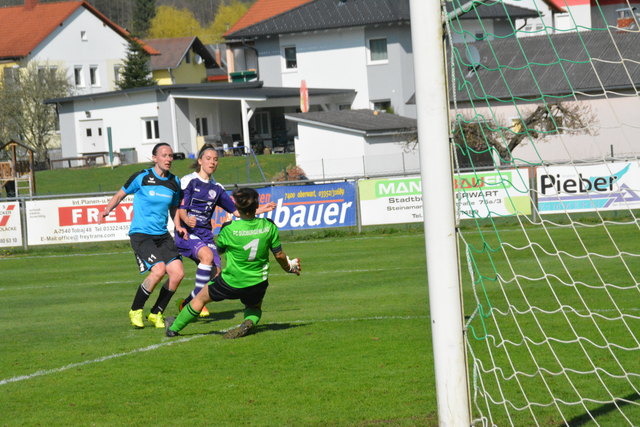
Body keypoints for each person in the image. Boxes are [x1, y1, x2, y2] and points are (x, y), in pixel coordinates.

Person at [164, 187, 301, 339]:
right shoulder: (269, 225)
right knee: (254, 307)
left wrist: (224, 228)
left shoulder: (229, 229)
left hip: (231, 281)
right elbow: (279, 255)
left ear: (236, 207)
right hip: (258, 281)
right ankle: (249, 321)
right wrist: (289, 268)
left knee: (200, 298)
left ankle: (173, 328)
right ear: (257, 206)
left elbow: (219, 250)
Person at [173, 144, 275, 318]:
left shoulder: (217, 188)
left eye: (215, 159)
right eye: (208, 158)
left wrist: (260, 209)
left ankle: (187, 303)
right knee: (207, 257)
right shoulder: (189, 181)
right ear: (200, 161)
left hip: (205, 234)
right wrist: (186, 219)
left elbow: (237, 212)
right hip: (187, 232)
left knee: (216, 275)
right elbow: (180, 207)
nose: (212, 162)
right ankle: (196, 304)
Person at [99, 142, 185, 329]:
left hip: (162, 235)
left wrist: (178, 225)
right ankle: (136, 310)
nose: (168, 159)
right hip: (141, 234)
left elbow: (174, 207)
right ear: (155, 158)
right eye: (164, 155)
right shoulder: (142, 177)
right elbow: (120, 195)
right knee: (159, 270)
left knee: (178, 273)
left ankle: (156, 313)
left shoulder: (174, 182)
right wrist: (107, 210)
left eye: (170, 156)